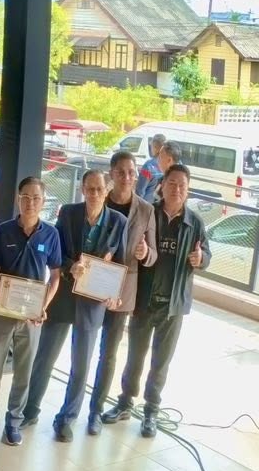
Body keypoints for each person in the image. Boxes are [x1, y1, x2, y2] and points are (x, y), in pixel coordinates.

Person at [103, 164, 210, 437]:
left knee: (161, 362)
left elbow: (206, 255)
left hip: (173, 306)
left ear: (188, 190)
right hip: (145, 300)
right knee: (135, 357)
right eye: (172, 183)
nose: (177, 189)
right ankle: (125, 402)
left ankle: (151, 410)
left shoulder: (195, 223)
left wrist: (201, 259)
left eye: (182, 185)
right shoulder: (149, 212)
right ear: (163, 185)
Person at [28, 167, 128, 440]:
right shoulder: (69, 213)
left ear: (107, 191)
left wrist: (114, 292)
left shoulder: (118, 221)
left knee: (80, 366)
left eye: (99, 189)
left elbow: (121, 262)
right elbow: (56, 253)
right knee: (45, 356)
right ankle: (30, 409)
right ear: (82, 190)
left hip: (93, 303)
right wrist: (71, 266)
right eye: (90, 189)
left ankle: (66, 419)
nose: (94, 194)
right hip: (63, 297)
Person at [0, 176, 64, 445]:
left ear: (43, 201)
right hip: (2, 311)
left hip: (31, 316)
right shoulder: (3, 231)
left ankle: (13, 422)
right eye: (25, 197)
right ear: (18, 199)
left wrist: (43, 306)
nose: (30, 203)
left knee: (23, 372)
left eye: (36, 198)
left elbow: (56, 276)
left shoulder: (51, 234)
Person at [86, 150, 154, 432]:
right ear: (111, 174)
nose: (127, 177)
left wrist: (145, 252)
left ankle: (95, 410)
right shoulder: (98, 200)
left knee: (109, 353)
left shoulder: (146, 210)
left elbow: (153, 255)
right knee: (83, 348)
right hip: (91, 286)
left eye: (131, 172)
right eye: (121, 172)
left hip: (122, 293)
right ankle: (73, 405)